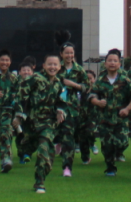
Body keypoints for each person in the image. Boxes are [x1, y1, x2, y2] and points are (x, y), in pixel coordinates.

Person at [16, 52, 68, 194]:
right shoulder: (35, 79)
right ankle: (25, 151)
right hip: (31, 123)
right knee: (28, 147)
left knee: (44, 151)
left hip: (48, 124)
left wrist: (60, 111)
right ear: (44, 66)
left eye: (55, 64)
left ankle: (40, 182)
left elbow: (62, 102)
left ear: (60, 66)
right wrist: (19, 115)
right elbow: (21, 95)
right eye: (49, 64)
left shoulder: (59, 84)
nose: (52, 67)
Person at [89, 49, 131, 177]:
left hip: (121, 118)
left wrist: (127, 109)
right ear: (105, 64)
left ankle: (119, 152)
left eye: (115, 61)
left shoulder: (125, 80)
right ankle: (110, 168)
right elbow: (91, 96)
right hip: (105, 118)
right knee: (106, 145)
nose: (112, 63)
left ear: (119, 64)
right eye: (109, 60)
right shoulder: (100, 80)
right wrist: (98, 102)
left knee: (123, 142)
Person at [55, 41, 90, 177]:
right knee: (58, 133)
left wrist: (74, 85)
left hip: (72, 108)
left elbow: (87, 87)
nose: (69, 55)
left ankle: (67, 167)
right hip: (56, 106)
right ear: (61, 54)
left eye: (71, 52)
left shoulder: (79, 70)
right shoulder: (56, 68)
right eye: (66, 53)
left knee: (69, 137)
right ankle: (57, 141)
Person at [16, 57, 37, 165]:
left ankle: (28, 152)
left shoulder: (36, 83)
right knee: (21, 135)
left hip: (33, 114)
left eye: (28, 70)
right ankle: (23, 155)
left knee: (33, 135)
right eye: (24, 70)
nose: (26, 72)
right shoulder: (16, 84)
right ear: (19, 72)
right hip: (19, 114)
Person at [77, 69, 98, 162]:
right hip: (80, 117)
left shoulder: (97, 89)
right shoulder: (79, 90)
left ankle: (92, 144)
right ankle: (85, 157)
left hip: (93, 116)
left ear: (94, 79)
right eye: (86, 78)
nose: (89, 81)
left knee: (90, 131)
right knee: (82, 137)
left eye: (91, 78)